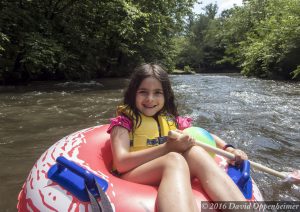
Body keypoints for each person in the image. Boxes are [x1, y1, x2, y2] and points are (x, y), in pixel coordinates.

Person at [107, 63, 248, 211]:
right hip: (133, 173)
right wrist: (167, 148)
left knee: (195, 152)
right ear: (133, 93)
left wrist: (229, 149)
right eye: (143, 92)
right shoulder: (123, 122)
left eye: (157, 93)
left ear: (165, 95)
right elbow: (121, 163)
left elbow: (202, 135)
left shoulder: (170, 120)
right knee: (174, 159)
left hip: (169, 167)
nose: (150, 98)